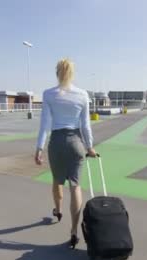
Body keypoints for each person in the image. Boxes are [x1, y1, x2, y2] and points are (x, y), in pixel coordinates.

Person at [34, 58, 97, 249]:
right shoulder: (82, 94)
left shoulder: (49, 94)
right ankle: (74, 231)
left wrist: (39, 147)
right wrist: (90, 147)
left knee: (57, 181)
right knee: (75, 187)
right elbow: (85, 125)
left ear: (57, 73)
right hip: (76, 143)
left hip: (57, 143)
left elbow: (45, 123)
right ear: (72, 74)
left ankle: (58, 210)